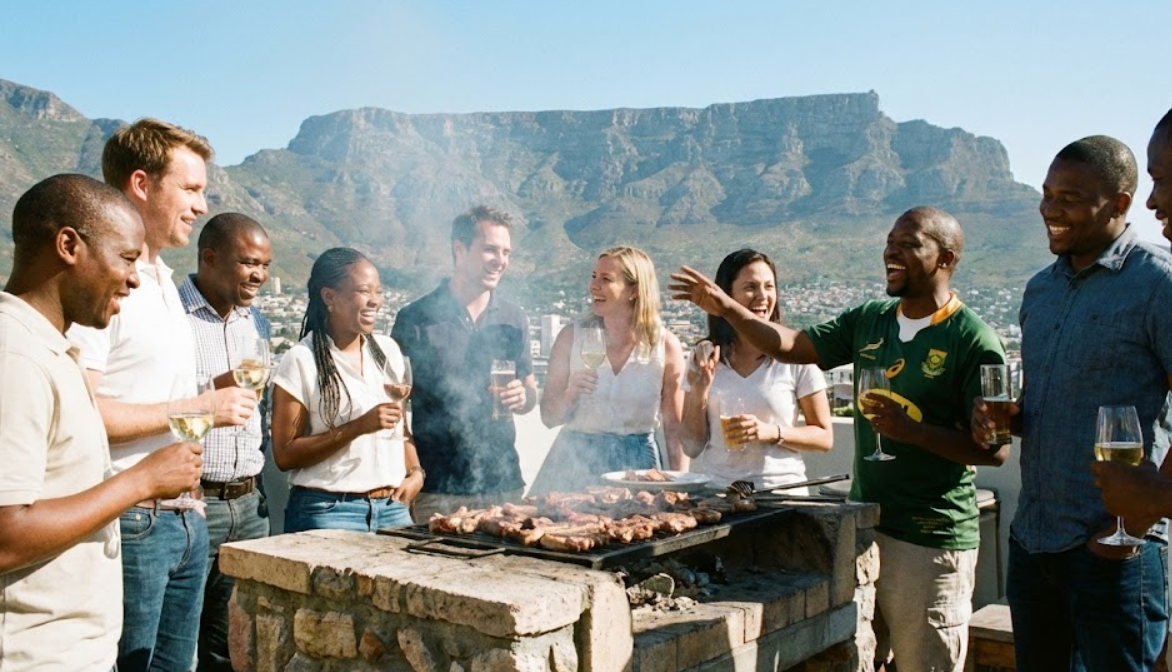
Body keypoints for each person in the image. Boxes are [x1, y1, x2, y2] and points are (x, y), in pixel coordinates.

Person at [671, 206, 1007, 672]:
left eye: (908, 244)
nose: (891, 251)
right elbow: (789, 346)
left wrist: (910, 432)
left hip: (929, 538)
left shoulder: (974, 339)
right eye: (890, 241)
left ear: (946, 258)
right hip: (866, 524)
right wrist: (724, 307)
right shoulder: (870, 320)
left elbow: (995, 448)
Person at [973, 135, 1172, 671]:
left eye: (1070, 198)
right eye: (1047, 195)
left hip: (1114, 550)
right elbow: (1052, 403)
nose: (1050, 210)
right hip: (1033, 544)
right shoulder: (1040, 289)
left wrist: (1133, 521)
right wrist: (1009, 417)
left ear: (1121, 202)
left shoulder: (1159, 281)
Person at [67, 119, 257, 672]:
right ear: (143, 185)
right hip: (132, 521)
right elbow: (80, 414)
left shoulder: (161, 283)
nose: (201, 206)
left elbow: (156, 398)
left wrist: (208, 395)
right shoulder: (105, 285)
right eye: (191, 189)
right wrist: (197, 409)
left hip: (184, 518)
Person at [0, 174, 202, 672]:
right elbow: (5, 535)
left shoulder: (53, 349)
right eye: (126, 258)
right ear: (68, 245)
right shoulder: (16, 357)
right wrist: (143, 480)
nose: (134, 279)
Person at [392, 206, 538, 520]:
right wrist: (412, 470)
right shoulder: (414, 319)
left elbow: (529, 392)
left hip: (504, 487)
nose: (500, 261)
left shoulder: (515, 319)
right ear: (460, 248)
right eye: (490, 250)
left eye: (506, 252)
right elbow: (396, 406)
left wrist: (523, 397)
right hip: (435, 490)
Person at [178, 212, 273, 671]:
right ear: (210, 258)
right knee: (177, 642)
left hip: (250, 503)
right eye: (249, 263)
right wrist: (220, 387)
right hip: (196, 502)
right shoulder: (171, 317)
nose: (259, 275)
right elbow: (162, 403)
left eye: (266, 265)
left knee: (228, 646)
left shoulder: (258, 323)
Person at [271, 247, 424, 532]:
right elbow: (285, 454)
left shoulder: (388, 351)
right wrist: (359, 426)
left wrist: (415, 472)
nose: (375, 302)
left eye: (378, 292)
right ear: (329, 297)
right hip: (328, 512)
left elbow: (400, 431)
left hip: (392, 509)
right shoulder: (301, 360)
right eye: (364, 291)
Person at [529, 246, 686, 495]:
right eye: (593, 277)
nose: (594, 286)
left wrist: (680, 486)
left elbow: (674, 428)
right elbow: (549, 418)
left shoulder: (666, 346)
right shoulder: (571, 337)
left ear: (634, 291)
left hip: (637, 467)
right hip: (573, 461)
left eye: (606, 279)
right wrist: (571, 392)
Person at [680, 249, 833, 492]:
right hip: (720, 495)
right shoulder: (705, 355)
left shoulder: (796, 355)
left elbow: (824, 438)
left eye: (769, 287)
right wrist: (699, 391)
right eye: (750, 287)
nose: (762, 296)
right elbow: (691, 447)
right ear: (726, 296)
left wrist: (770, 432)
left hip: (783, 497)